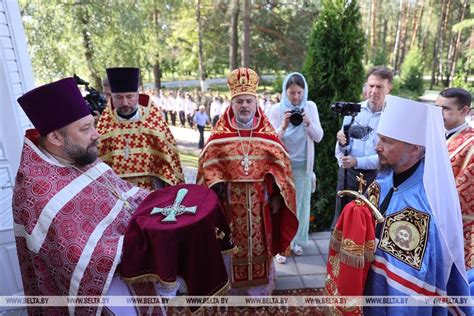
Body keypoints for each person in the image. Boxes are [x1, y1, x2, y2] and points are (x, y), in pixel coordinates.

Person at [12, 78, 167, 315]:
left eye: (92, 125)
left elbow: (126, 195)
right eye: (85, 129)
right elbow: (78, 258)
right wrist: (145, 239)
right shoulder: (38, 190)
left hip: (131, 277)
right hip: (101, 295)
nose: (97, 135)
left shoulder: (80, 158)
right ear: (55, 138)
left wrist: (171, 207)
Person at [363, 95, 471, 315]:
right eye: (379, 138)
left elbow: (412, 287)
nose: (378, 146)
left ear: (414, 149)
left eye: (387, 141)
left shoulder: (423, 204)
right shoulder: (382, 181)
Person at [197, 68, 298, 295]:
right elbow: (207, 166)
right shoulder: (219, 137)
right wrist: (216, 190)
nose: (244, 106)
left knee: (260, 246)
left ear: (256, 103)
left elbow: (281, 169)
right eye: (240, 101)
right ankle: (233, 289)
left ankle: (260, 289)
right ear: (232, 104)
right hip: (229, 206)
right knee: (232, 245)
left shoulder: (267, 135)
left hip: (260, 206)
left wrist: (276, 198)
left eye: (248, 101)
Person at [96, 67, 184, 190]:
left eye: (130, 96)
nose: (125, 103)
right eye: (119, 97)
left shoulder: (154, 123)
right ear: (111, 96)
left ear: (138, 94)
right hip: (118, 192)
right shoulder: (104, 127)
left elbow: (171, 163)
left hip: (151, 190)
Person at [269, 72, 323, 263]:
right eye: (291, 93)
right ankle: (279, 247)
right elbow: (270, 141)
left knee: (300, 206)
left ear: (304, 91)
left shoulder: (310, 106)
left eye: (299, 92)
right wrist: (283, 125)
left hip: (303, 168)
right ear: (285, 92)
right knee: (283, 206)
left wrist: (308, 122)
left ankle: (295, 242)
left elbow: (318, 137)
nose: (296, 97)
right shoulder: (276, 109)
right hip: (282, 168)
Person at [331, 66, 393, 229]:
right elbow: (341, 151)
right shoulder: (353, 111)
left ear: (389, 88)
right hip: (348, 176)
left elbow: (388, 156)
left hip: (377, 178)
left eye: (379, 86)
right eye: (371, 85)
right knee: (342, 221)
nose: (374, 90)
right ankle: (338, 254)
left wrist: (357, 161)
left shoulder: (391, 117)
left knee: (369, 224)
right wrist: (340, 142)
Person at [435, 87, 473, 269]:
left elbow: (464, 192)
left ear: (465, 111)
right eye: (437, 107)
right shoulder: (433, 133)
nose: (439, 113)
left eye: (445, 108)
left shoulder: (471, 144)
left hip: (454, 226)